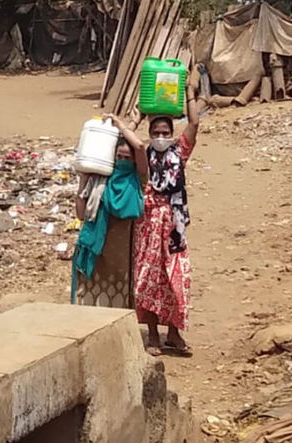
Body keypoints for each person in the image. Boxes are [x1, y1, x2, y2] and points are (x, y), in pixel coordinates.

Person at [134, 93, 201, 357]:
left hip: (173, 228)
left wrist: (190, 95)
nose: (161, 136)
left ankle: (173, 333)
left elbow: (194, 124)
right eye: (156, 132)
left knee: (176, 278)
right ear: (149, 133)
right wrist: (139, 115)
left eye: (165, 132)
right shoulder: (142, 157)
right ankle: (152, 335)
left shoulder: (178, 154)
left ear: (171, 133)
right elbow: (129, 135)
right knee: (149, 279)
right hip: (148, 225)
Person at [72, 116, 146, 308]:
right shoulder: (100, 180)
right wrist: (83, 181)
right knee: (90, 295)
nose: (122, 161)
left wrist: (124, 125)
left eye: (127, 159)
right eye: (119, 157)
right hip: (96, 249)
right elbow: (81, 214)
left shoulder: (137, 180)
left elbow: (138, 147)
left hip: (122, 253)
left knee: (117, 297)